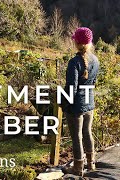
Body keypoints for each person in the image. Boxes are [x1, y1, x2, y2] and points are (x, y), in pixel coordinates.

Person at [62, 27, 100, 176]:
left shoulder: (74, 62)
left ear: (76, 43)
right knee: (87, 132)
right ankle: (91, 164)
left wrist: (63, 104)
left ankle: (78, 167)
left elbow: (71, 88)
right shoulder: (95, 60)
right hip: (89, 103)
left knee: (76, 137)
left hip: (76, 106)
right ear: (90, 43)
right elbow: (93, 82)